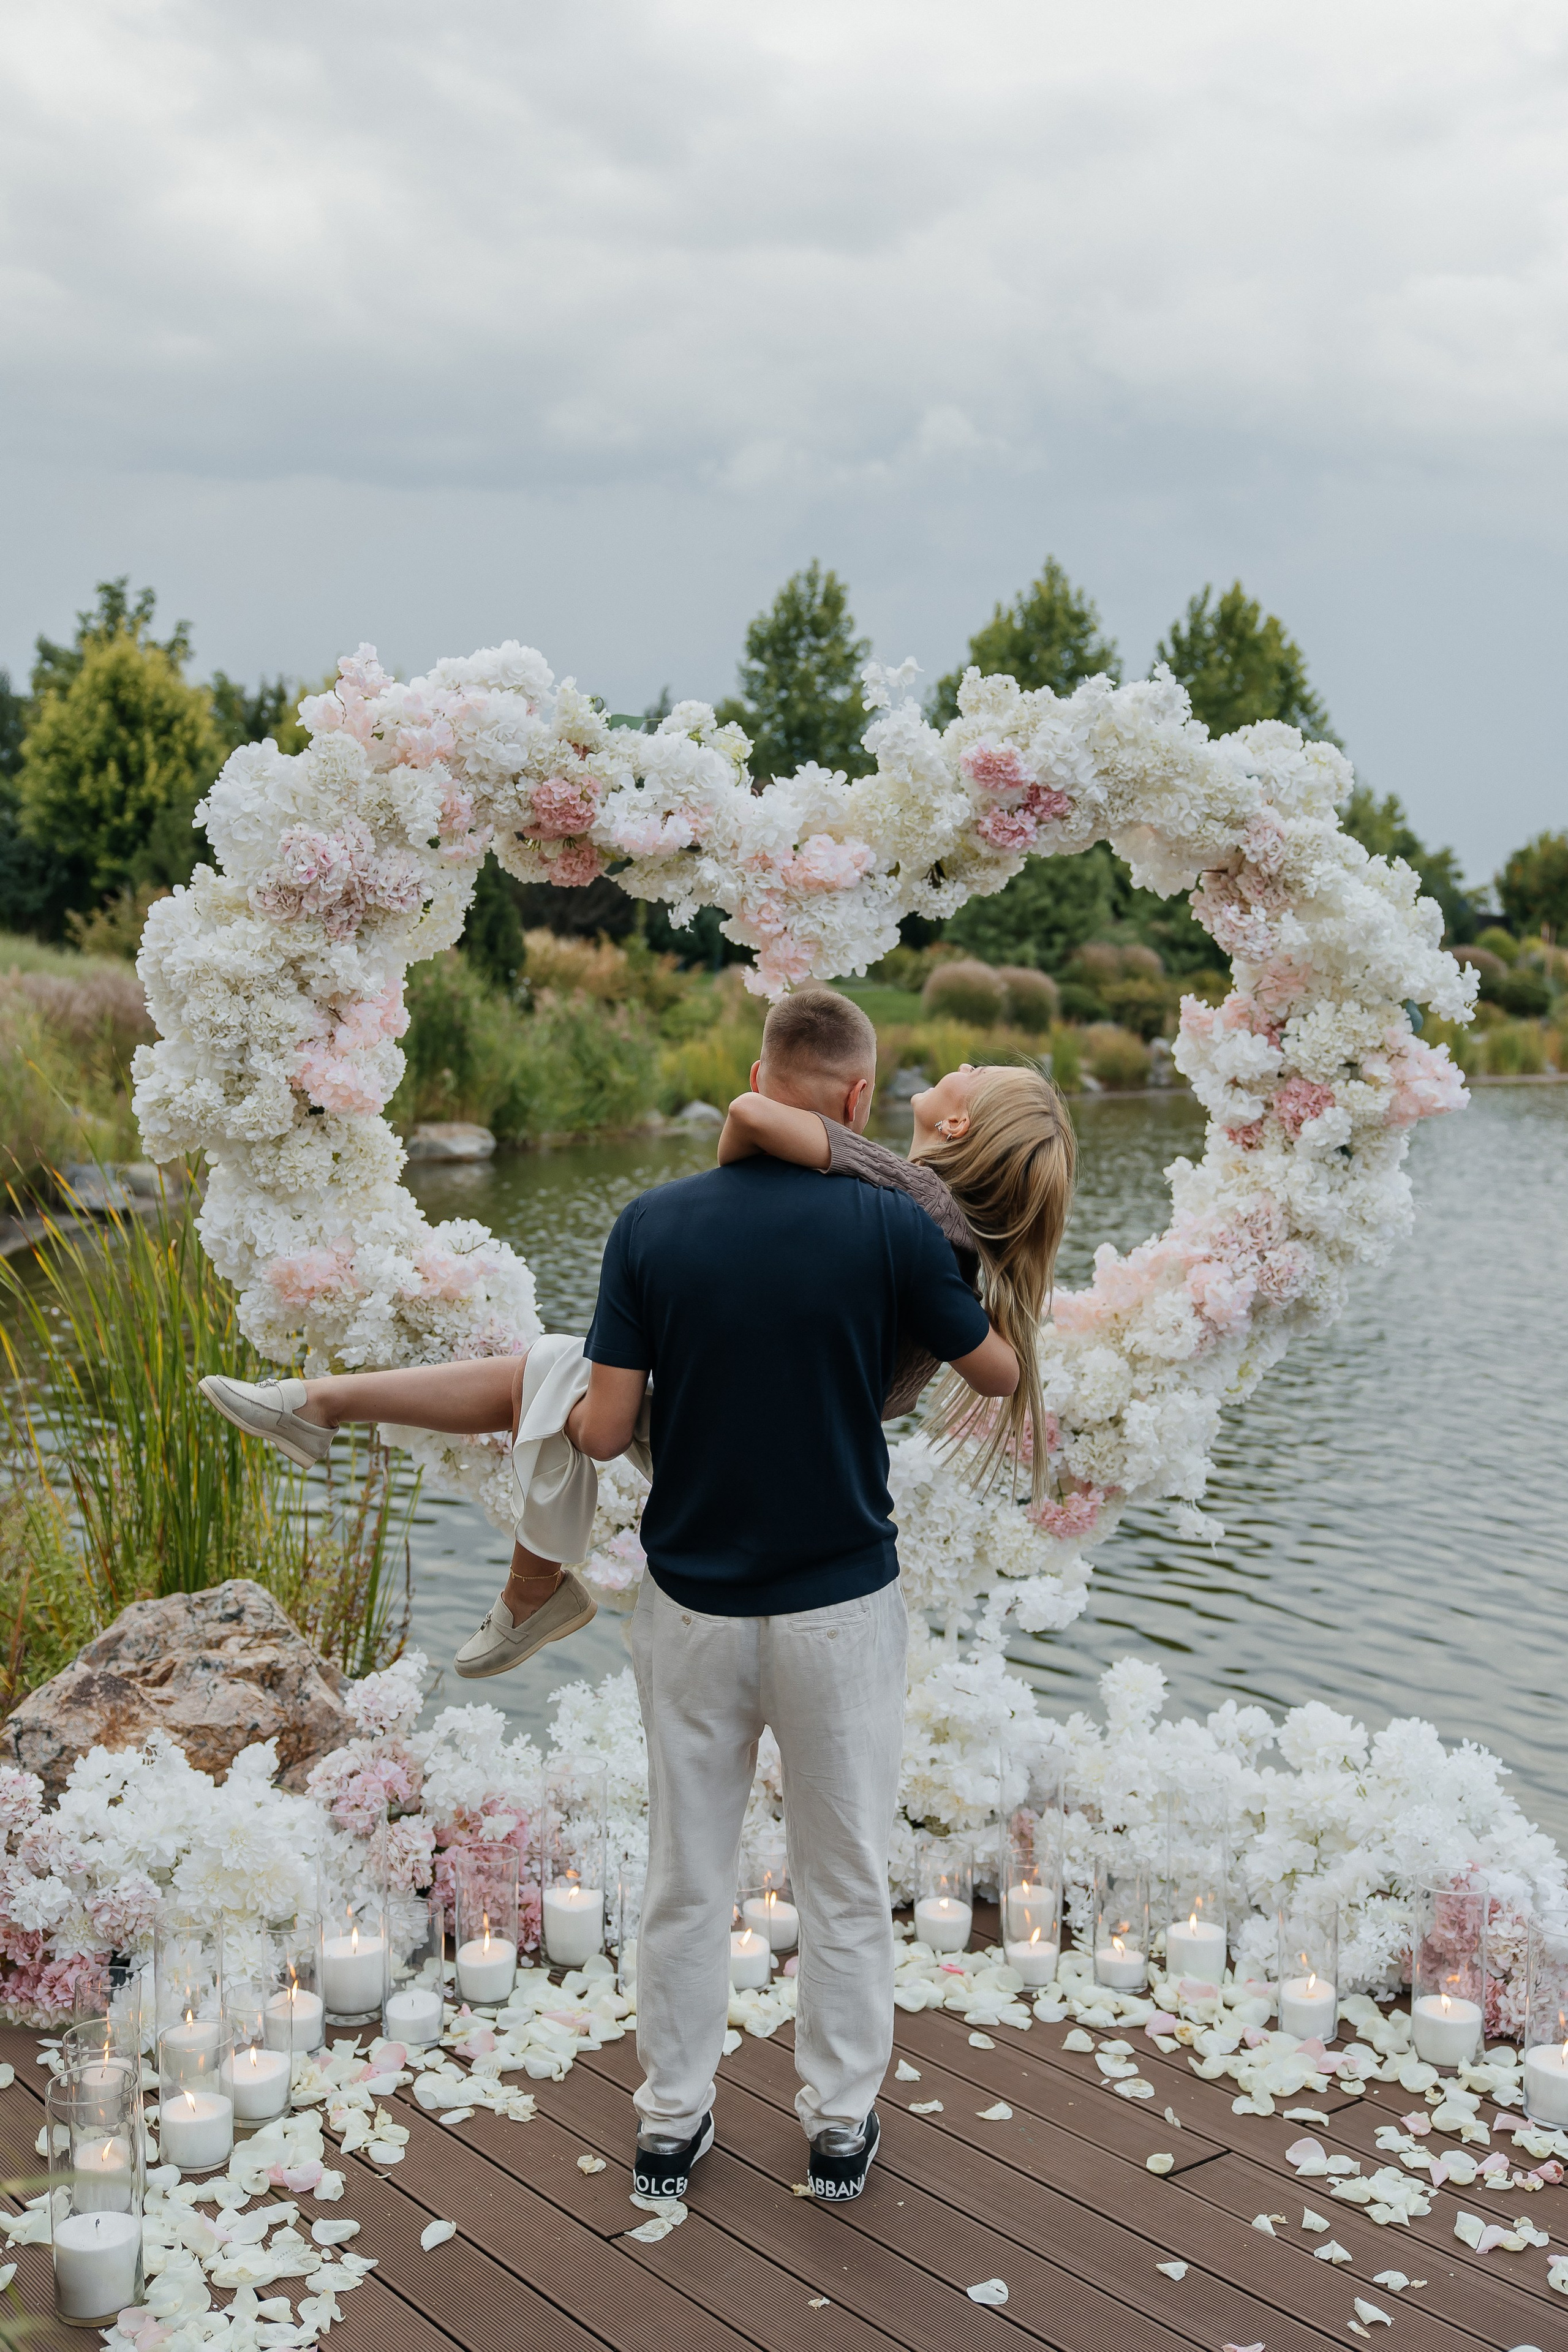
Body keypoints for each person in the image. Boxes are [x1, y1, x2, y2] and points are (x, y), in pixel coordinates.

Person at [571, 987, 1019, 2205]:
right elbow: (990, 1366)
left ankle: (670, 2125)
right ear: (859, 1099)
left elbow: (608, 1432)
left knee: (684, 1875)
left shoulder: (650, 1225)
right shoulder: (889, 1234)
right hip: (837, 1609)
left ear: (759, 1074)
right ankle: (834, 2128)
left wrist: (558, 1409)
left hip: (693, 1609)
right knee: (842, 1876)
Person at [717, 1051, 1076, 1504]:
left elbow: (748, 1112)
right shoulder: (939, 1236)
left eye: (976, 1073)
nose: (963, 1066)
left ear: (957, 1124)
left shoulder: (916, 1199)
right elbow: (1003, 1377)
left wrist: (723, 1194)